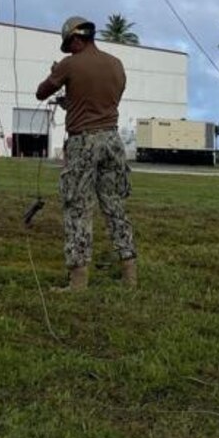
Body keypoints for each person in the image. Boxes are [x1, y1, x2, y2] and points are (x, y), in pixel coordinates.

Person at [35, 16, 137, 290]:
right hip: (113, 141)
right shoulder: (116, 65)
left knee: (77, 207)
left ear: (76, 39)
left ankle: (78, 281)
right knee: (114, 205)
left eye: (69, 46)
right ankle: (129, 274)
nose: (69, 51)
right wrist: (73, 100)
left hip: (83, 142)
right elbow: (102, 102)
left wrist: (58, 72)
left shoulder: (69, 64)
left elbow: (41, 93)